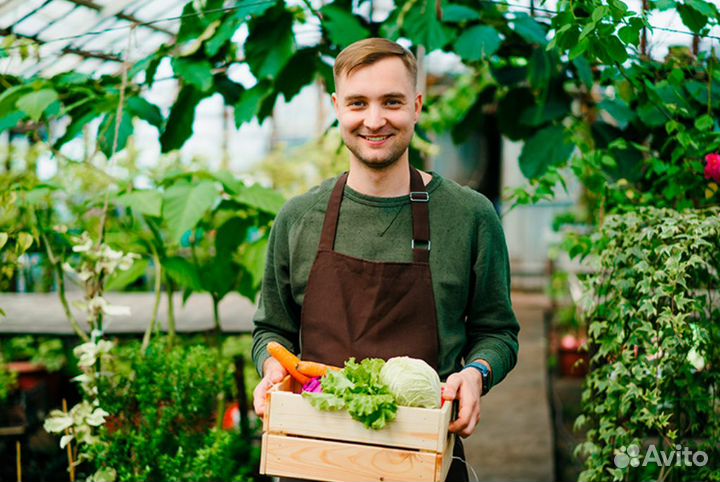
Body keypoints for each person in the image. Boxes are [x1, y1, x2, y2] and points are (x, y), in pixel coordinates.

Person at [251, 37, 519, 481]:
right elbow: (271, 330)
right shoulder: (298, 218)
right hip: (310, 463)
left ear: (416, 105)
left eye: (391, 102)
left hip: (425, 461)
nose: (374, 120)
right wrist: (272, 365)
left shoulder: (469, 216)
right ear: (337, 106)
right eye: (358, 103)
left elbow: (498, 331)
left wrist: (476, 373)